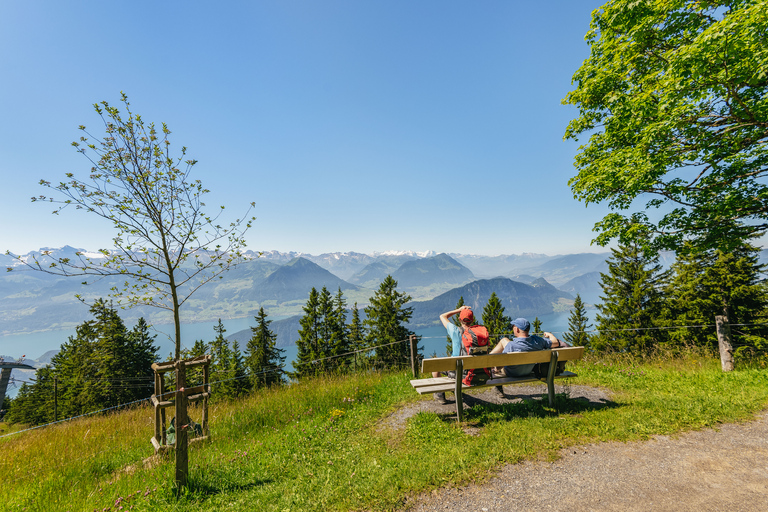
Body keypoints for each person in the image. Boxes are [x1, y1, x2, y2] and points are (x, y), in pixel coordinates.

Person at [489, 317, 568, 378]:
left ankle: (487, 361)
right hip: (527, 371)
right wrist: (550, 335)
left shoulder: (511, 346)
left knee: (495, 368)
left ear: (516, 329)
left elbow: (501, 364)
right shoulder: (537, 341)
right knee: (504, 340)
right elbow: (555, 343)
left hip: (512, 373)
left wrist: (495, 369)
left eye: (513, 326)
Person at [432, 305, 477, 401]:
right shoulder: (478, 333)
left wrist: (459, 310)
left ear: (460, 319)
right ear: (472, 320)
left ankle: (440, 395)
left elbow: (442, 316)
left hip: (457, 373)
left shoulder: (455, 331)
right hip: (475, 372)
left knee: (434, 366)